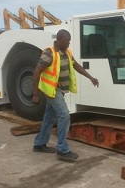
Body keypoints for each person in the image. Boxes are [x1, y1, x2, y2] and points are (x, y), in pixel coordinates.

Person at [31, 29, 99, 161]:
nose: (69, 43)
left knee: (49, 117)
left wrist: (90, 77)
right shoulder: (49, 53)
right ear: (60, 39)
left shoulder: (66, 52)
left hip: (60, 90)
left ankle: (39, 144)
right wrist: (35, 94)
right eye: (67, 40)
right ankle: (62, 149)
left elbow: (76, 65)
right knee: (64, 115)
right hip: (51, 90)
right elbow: (36, 72)